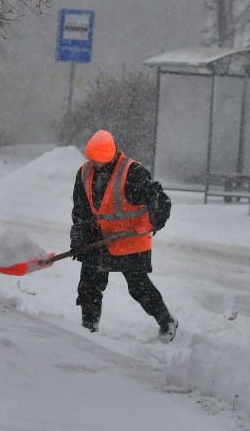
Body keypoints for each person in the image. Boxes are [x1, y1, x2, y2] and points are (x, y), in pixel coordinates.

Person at [70, 129, 179, 342]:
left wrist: (156, 219)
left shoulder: (133, 172)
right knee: (89, 285)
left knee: (138, 287)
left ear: (111, 155)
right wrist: (79, 236)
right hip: (100, 237)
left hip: (131, 240)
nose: (96, 164)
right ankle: (88, 327)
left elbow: (161, 201)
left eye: (100, 160)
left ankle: (167, 321)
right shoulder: (84, 172)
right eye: (92, 159)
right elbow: (81, 210)